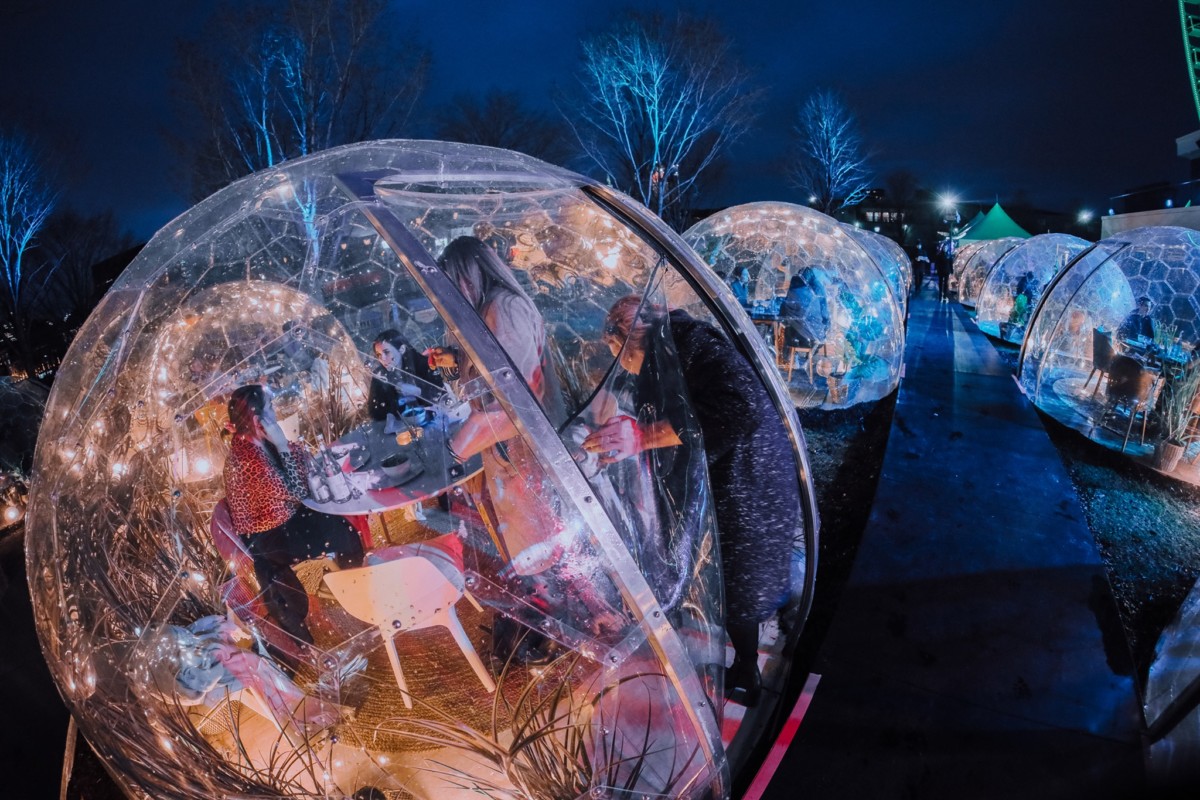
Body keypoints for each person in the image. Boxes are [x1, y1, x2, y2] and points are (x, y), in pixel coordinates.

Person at [582, 296, 801, 706]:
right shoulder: (671, 347)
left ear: (626, 337)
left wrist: (643, 437)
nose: (616, 359)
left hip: (745, 482)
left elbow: (741, 408)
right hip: (734, 478)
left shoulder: (689, 344)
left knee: (738, 581)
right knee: (733, 578)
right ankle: (743, 665)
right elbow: (671, 409)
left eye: (613, 349)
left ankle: (746, 674)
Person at [223, 384, 364, 645]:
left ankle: (351, 579)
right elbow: (299, 489)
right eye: (271, 409)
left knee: (338, 519)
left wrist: (281, 443)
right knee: (342, 532)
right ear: (257, 419)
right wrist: (281, 444)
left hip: (285, 518)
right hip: (269, 538)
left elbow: (304, 464)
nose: (275, 413)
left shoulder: (255, 442)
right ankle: (358, 590)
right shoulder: (247, 459)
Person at [367, 329, 441, 422]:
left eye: (386, 352)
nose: (383, 359)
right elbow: (374, 412)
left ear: (402, 349)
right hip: (400, 427)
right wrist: (397, 403)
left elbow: (441, 396)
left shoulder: (422, 364)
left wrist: (419, 391)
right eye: (379, 355)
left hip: (430, 420)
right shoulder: (380, 376)